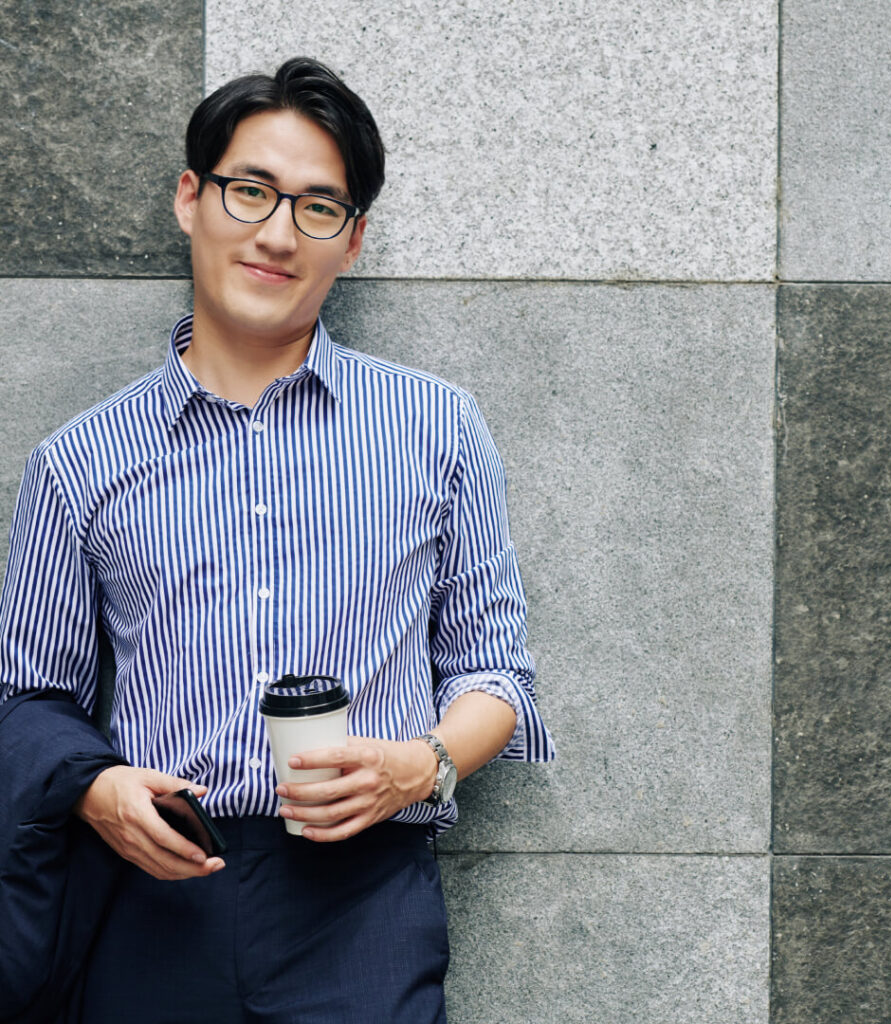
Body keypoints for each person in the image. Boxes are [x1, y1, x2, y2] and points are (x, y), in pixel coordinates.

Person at [0, 56, 554, 1022]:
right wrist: (97, 791)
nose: (277, 233)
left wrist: (419, 765)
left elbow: (496, 676)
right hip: (155, 896)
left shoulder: (435, 428)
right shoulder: (79, 460)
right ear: (191, 198)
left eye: (318, 207)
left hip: (365, 904)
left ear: (354, 239)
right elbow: (27, 698)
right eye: (250, 191)